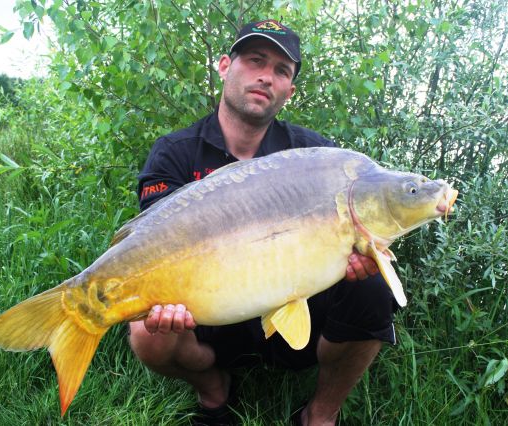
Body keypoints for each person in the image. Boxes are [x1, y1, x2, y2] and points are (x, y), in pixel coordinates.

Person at [129, 19, 399, 426]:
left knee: (375, 287)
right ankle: (214, 390)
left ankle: (320, 415)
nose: (265, 77)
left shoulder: (314, 154)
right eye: (256, 60)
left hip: (298, 305)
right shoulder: (175, 153)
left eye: (280, 71)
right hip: (209, 312)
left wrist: (357, 258)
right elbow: (155, 242)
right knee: (146, 330)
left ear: (289, 91)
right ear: (224, 65)